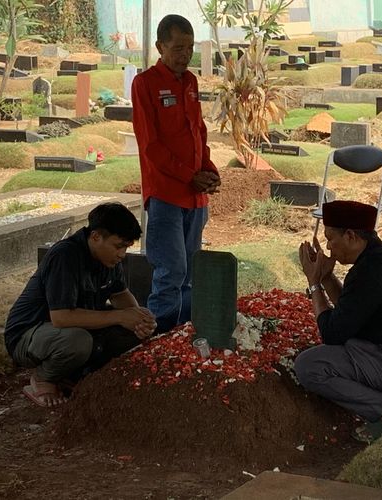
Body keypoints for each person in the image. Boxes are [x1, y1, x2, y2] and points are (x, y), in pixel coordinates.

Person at [294, 200, 382, 439]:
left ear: (350, 235)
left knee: (309, 366)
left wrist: (314, 283)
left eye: (331, 239)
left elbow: (331, 333)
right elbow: (349, 314)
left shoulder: (372, 270)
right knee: (342, 347)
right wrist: (328, 278)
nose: (328, 247)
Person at [4, 203, 157, 407]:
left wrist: (139, 318)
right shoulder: (65, 256)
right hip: (30, 334)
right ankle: (43, 378)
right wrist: (121, 316)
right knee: (78, 341)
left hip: (70, 329)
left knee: (132, 332)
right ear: (95, 237)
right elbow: (61, 317)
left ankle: (74, 374)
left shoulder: (108, 259)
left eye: (126, 248)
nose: (122, 254)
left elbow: (120, 295)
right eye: (118, 246)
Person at [131, 14, 221, 333]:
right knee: (171, 270)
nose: (185, 54)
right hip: (166, 195)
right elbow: (151, 146)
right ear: (160, 47)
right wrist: (189, 175)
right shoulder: (145, 84)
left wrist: (208, 170)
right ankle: (155, 337)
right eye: (178, 47)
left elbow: (199, 132)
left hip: (195, 199)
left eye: (190, 47)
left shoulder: (192, 82)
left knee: (191, 272)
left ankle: (182, 333)